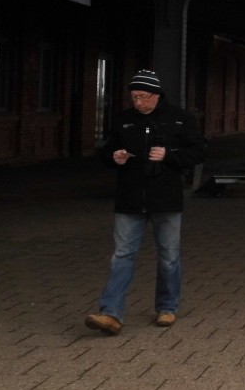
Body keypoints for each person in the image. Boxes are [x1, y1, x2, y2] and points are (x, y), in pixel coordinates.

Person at [85, 69, 206, 335]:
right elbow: (105, 150)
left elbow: (199, 151)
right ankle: (110, 313)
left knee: (169, 256)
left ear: (157, 94)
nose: (139, 103)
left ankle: (166, 308)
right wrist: (112, 156)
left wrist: (169, 155)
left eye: (143, 97)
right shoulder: (124, 120)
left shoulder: (180, 119)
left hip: (166, 199)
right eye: (134, 97)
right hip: (129, 198)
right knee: (122, 255)